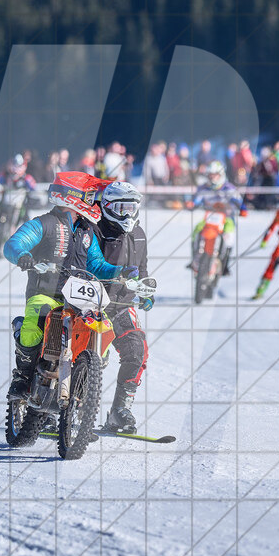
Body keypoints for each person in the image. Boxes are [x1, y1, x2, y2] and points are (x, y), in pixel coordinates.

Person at [3, 172, 139, 401]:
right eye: (88, 196)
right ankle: (23, 377)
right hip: (45, 293)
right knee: (34, 325)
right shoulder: (43, 223)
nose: (92, 201)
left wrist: (120, 271)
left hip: (77, 297)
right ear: (72, 197)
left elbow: (96, 264)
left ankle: (83, 383)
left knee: (98, 325)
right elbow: (13, 244)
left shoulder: (87, 231)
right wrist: (23, 256)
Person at [93, 181, 152, 434]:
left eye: (131, 208)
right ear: (107, 206)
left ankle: (120, 410)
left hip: (121, 304)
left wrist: (146, 290)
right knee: (93, 357)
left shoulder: (138, 233)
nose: (127, 214)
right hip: (91, 303)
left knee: (137, 350)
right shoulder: (95, 229)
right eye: (121, 208)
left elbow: (143, 268)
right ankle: (63, 405)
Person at [190, 160, 246, 275]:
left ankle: (225, 264)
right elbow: (196, 200)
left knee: (229, 235)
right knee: (196, 231)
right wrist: (192, 204)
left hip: (226, 218)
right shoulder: (204, 189)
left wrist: (243, 209)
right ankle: (195, 259)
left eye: (215, 175)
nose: (213, 178)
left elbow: (239, 201)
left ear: (221, 175)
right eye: (211, 175)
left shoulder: (229, 188)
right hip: (209, 219)